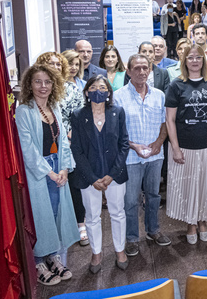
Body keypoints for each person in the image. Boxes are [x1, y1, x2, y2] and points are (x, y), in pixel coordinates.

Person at [17, 65, 77, 285]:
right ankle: (38, 261)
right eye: (38, 82)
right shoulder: (24, 111)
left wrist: (64, 168)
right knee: (39, 217)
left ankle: (53, 258)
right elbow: (27, 149)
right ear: (29, 85)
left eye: (48, 82)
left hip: (57, 167)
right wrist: (50, 173)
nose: (43, 87)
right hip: (39, 171)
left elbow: (62, 141)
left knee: (55, 215)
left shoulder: (54, 107)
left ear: (54, 85)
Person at [69, 75, 130, 273]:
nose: (98, 90)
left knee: (118, 213)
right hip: (89, 175)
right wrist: (92, 178)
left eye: (102, 87)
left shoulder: (118, 112)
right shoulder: (78, 115)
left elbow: (123, 144)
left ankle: (120, 250)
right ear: (86, 92)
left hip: (114, 173)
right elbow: (76, 149)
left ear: (108, 92)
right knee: (92, 216)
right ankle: (96, 253)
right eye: (93, 87)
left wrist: (112, 174)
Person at [165, 44, 207, 244]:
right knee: (188, 185)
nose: (195, 61)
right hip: (185, 146)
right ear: (184, 61)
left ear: (203, 60)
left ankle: (203, 221)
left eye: (198, 57)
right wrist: (174, 147)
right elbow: (170, 120)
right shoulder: (176, 85)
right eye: (190, 58)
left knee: (205, 185)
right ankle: (190, 223)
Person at [115, 55, 170, 259]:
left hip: (155, 156)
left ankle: (153, 230)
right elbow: (116, 131)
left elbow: (165, 123)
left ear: (150, 70)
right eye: (136, 68)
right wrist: (133, 146)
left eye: (145, 68)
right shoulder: (118, 96)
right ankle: (131, 238)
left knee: (154, 196)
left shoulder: (159, 95)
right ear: (128, 71)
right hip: (130, 157)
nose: (141, 72)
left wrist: (158, 142)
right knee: (131, 200)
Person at [42, 51, 88, 246]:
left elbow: (80, 113)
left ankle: (80, 224)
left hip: (70, 143)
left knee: (74, 185)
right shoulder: (41, 89)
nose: (56, 67)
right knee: (54, 187)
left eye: (58, 64)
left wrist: (71, 134)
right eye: (51, 64)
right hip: (48, 146)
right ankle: (56, 228)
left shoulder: (70, 88)